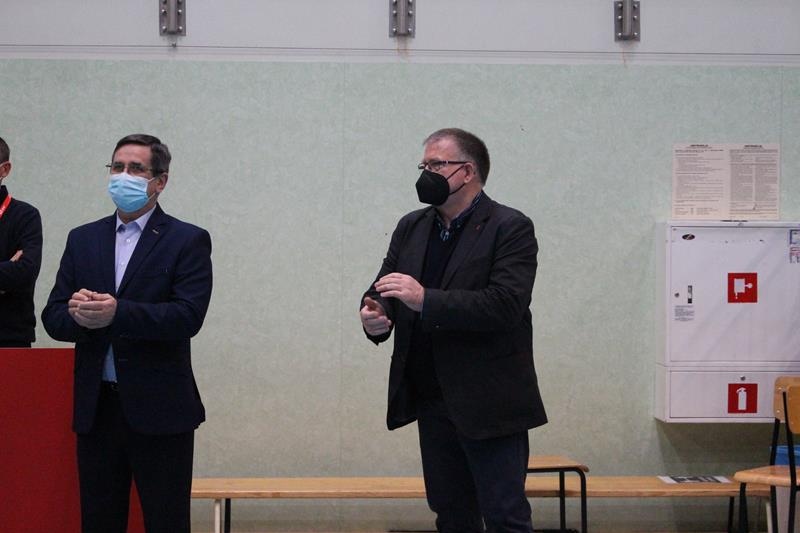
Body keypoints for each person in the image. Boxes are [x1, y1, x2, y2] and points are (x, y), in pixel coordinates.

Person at [360, 128, 547, 532]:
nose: (425, 173)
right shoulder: (412, 226)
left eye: (436, 164)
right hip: (431, 397)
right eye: (423, 165)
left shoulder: (510, 226)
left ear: (468, 171)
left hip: (490, 402)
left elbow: (505, 305)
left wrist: (426, 299)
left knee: (505, 517)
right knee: (451, 516)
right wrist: (375, 314)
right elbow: (385, 287)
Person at [41, 134, 213, 533]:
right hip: (97, 408)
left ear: (160, 181)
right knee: (99, 522)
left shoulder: (186, 239)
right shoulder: (83, 239)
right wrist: (80, 316)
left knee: (166, 522)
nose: (123, 176)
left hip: (161, 409)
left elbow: (187, 316)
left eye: (136, 169)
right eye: (117, 167)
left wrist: (118, 313)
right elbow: (53, 316)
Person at [0, 136, 42, 347]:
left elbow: (25, 272)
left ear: (4, 169)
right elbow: (11, 274)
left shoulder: (25, 216)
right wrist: (6, 270)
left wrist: (13, 273)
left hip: (9, 339)